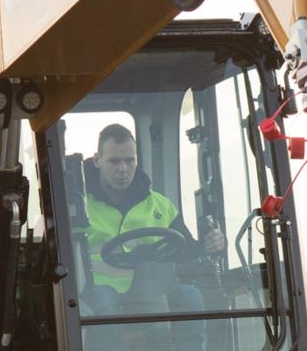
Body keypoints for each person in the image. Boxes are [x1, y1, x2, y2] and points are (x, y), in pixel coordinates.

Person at [82, 124, 223, 297]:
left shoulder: (161, 206)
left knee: (190, 297)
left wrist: (211, 243)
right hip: (99, 292)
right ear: (97, 160)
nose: (123, 168)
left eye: (129, 160)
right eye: (114, 161)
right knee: (104, 299)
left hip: (155, 289)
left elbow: (186, 251)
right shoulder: (78, 209)